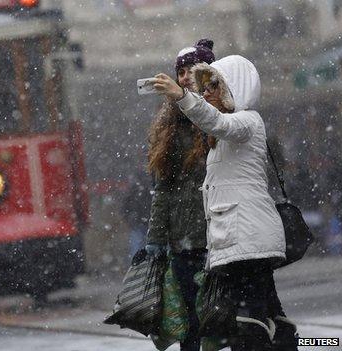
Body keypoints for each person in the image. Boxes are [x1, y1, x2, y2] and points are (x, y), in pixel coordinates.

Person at [153, 55, 297, 350]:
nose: (206, 94)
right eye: (203, 88)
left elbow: (216, 122)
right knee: (257, 317)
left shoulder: (246, 121)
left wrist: (182, 96)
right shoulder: (227, 132)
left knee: (247, 323)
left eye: (212, 86)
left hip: (247, 241)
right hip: (237, 242)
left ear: (233, 88)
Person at [144, 38, 215, 351]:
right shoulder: (168, 127)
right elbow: (163, 191)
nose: (185, 77)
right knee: (190, 327)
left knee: (225, 320)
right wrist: (155, 240)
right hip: (184, 241)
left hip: (219, 237)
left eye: (192, 70)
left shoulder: (222, 119)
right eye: (181, 71)